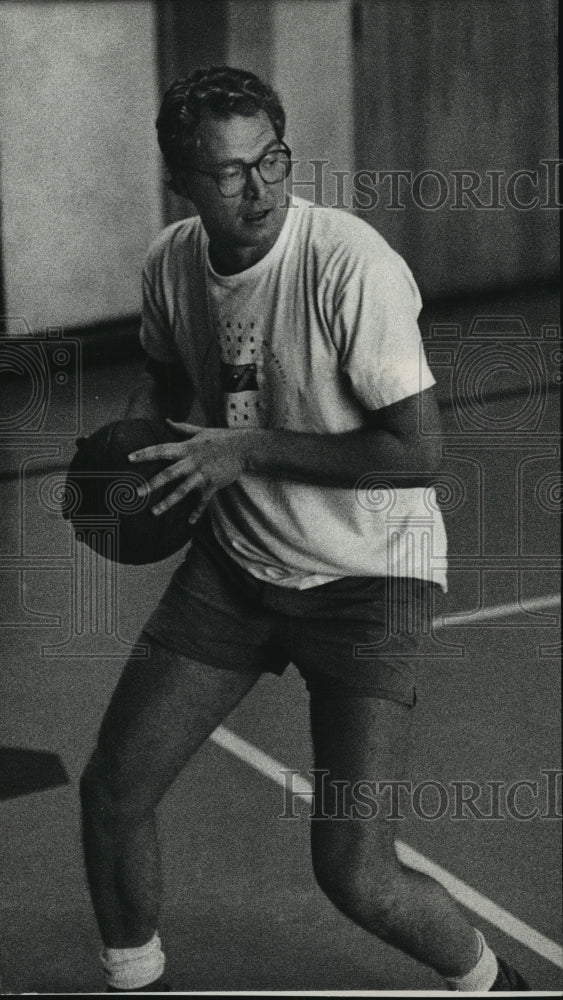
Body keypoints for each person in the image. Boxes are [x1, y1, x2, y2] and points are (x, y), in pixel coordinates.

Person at [80, 66, 529, 993]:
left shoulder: (349, 265)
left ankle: (496, 984)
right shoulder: (171, 264)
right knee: (113, 795)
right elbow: (165, 389)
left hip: (373, 581)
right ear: (184, 184)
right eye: (229, 173)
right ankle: (136, 981)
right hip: (237, 567)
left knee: (353, 875)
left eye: (272, 160)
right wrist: (137, 469)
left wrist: (243, 455)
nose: (259, 190)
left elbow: (417, 452)